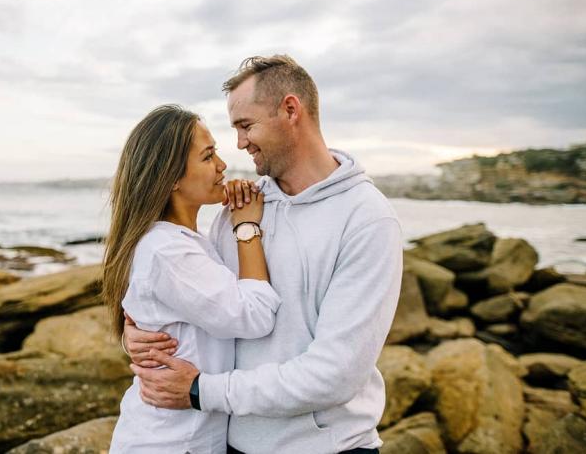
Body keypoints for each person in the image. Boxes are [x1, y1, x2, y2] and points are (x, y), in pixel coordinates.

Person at [123, 55, 403, 454]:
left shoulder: (366, 219)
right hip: (232, 445)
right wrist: (141, 336)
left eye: (245, 125)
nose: (239, 143)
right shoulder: (238, 213)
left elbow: (335, 374)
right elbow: (203, 310)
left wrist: (203, 390)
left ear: (290, 110)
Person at [104, 104, 282, 454]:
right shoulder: (167, 250)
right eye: (207, 156)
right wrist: (248, 227)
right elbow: (256, 315)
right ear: (171, 178)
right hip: (168, 444)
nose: (222, 165)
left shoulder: (183, 241)